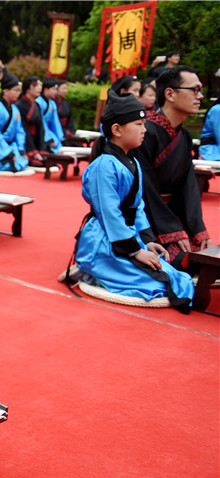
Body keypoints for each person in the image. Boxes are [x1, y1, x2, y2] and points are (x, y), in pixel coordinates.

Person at [72, 91, 193, 312]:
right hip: (104, 240)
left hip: (127, 236)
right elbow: (109, 214)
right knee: (156, 284)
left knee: (172, 275)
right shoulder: (104, 166)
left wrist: (146, 241)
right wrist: (135, 251)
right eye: (138, 124)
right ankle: (91, 268)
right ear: (117, 130)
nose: (144, 130)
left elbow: (137, 207)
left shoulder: (132, 161)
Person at [132, 66, 212, 268]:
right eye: (194, 90)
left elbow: (187, 185)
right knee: (182, 261)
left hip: (168, 214)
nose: (200, 96)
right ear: (170, 94)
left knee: (203, 253)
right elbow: (144, 188)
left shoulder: (184, 136)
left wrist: (196, 228)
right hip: (143, 217)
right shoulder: (144, 132)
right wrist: (170, 230)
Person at [16, 76, 48, 165]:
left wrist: (41, 149)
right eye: (36, 85)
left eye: (40, 85)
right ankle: (31, 153)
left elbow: (40, 127)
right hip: (24, 140)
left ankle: (40, 151)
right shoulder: (19, 105)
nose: (39, 88)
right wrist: (33, 151)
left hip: (35, 139)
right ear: (28, 88)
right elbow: (23, 128)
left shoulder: (36, 105)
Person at [36, 78, 63, 153]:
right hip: (41, 132)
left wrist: (59, 136)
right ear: (46, 89)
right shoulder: (38, 102)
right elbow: (42, 122)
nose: (56, 92)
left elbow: (55, 122)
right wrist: (49, 138)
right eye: (54, 89)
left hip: (49, 131)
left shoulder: (52, 103)